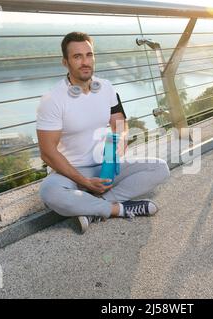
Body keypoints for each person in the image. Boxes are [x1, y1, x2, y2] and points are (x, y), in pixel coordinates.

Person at [37, 32, 170, 233]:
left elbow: (120, 126)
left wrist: (118, 147)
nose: (85, 62)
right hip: (72, 173)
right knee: (49, 192)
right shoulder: (53, 99)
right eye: (77, 56)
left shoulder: (107, 88)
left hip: (106, 167)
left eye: (89, 55)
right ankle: (119, 208)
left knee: (160, 168)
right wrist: (85, 182)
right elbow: (47, 152)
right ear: (65, 62)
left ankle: (94, 208)